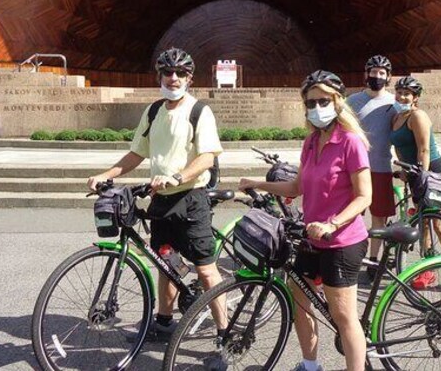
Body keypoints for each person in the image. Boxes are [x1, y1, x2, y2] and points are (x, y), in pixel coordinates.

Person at [87, 47, 226, 339]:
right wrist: (106, 174)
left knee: (206, 270)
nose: (173, 78)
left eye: (180, 73)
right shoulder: (153, 111)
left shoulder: (199, 111)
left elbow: (207, 157)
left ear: (189, 78)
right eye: (167, 72)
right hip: (161, 200)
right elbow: (136, 153)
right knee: (165, 261)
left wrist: (176, 177)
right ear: (159, 76)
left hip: (191, 198)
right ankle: (164, 323)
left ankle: (225, 334)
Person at [239, 70, 372, 371]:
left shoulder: (351, 142)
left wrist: (332, 224)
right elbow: (296, 187)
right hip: (311, 239)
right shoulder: (311, 141)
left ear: (338, 102)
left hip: (341, 240)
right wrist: (258, 184)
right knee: (300, 301)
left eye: (323, 101)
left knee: (344, 316)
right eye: (310, 103)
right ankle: (310, 366)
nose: (316, 108)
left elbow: (365, 197)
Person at [389, 75, 441, 289]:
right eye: (399, 92)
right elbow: (400, 149)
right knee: (423, 225)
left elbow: (424, 150)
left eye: (406, 93)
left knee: (438, 224)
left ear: (415, 97)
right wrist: (404, 172)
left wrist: (422, 177)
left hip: (433, 173)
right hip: (416, 173)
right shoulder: (396, 118)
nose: (401, 96)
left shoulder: (418, 116)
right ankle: (427, 271)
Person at [345, 55, 397, 275]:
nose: (377, 77)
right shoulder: (352, 101)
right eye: (373, 72)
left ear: (388, 77)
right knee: (351, 213)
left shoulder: (394, 103)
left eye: (382, 73)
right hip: (354, 167)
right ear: (366, 74)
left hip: (380, 167)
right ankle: (348, 256)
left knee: (379, 217)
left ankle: (374, 260)